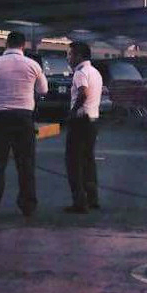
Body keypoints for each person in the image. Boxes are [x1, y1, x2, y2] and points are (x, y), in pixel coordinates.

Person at [0, 31, 47, 218]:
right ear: (23, 45)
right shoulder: (33, 65)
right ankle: (28, 206)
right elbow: (43, 89)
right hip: (24, 118)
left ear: (6, 44)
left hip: (0, 117)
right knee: (26, 164)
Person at [64, 41, 103, 214]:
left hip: (80, 121)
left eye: (69, 54)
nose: (68, 58)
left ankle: (79, 202)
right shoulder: (95, 72)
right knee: (88, 161)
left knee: (74, 162)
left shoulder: (80, 73)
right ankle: (92, 198)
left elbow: (83, 93)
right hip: (93, 120)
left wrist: (72, 112)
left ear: (79, 56)